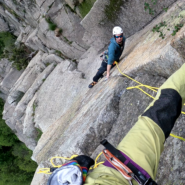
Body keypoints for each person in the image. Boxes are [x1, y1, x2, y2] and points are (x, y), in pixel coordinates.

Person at [47, 62, 185, 185]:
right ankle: (95, 80)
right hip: (122, 167)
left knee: (164, 106)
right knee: (163, 106)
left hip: (122, 166)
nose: (119, 39)